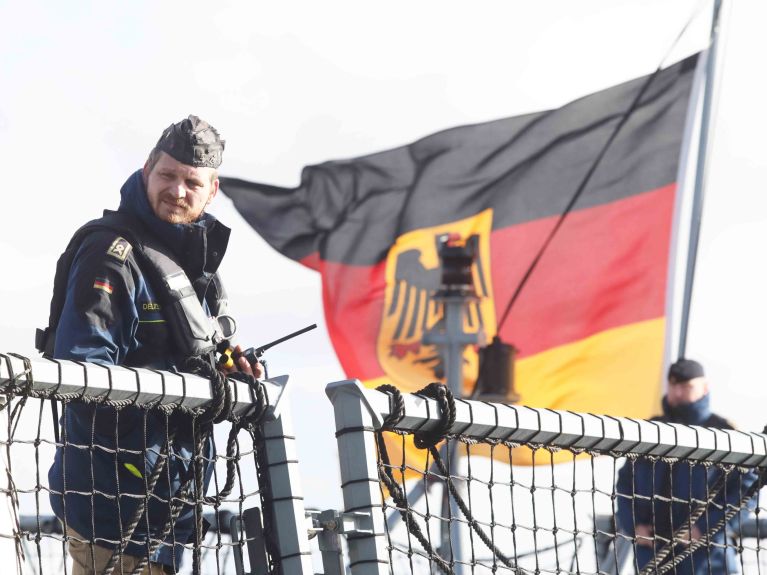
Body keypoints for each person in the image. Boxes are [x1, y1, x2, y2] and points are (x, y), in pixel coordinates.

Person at [41, 116, 262, 574]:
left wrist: (225, 376)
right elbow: (81, 373)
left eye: (191, 182)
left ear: (212, 190)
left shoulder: (199, 271)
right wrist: (186, 397)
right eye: (167, 176)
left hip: (170, 507)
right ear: (146, 172)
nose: (177, 191)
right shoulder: (111, 254)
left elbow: (190, 355)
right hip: (112, 510)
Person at [616, 358, 756, 574]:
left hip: (709, 559)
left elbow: (747, 491)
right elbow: (625, 482)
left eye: (686, 386)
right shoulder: (647, 431)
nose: (678, 392)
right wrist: (632, 526)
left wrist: (706, 528)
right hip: (653, 558)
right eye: (673, 386)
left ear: (705, 387)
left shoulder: (727, 435)